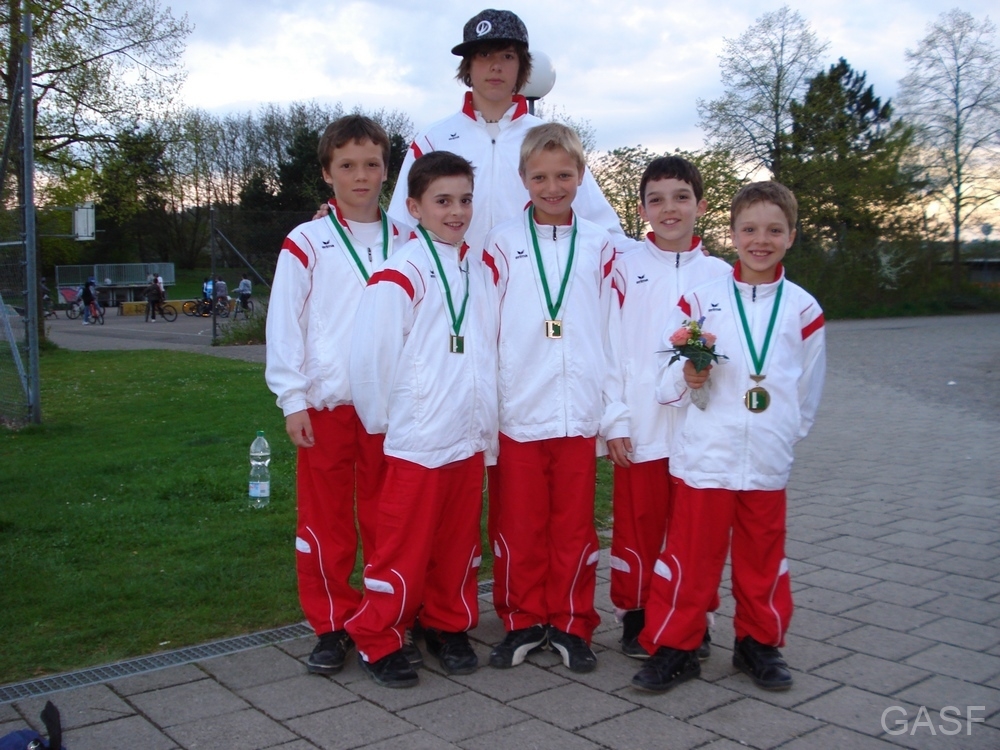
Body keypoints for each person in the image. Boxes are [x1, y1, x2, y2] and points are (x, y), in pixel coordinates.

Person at [631, 181, 826, 693]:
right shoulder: (702, 299)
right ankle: (676, 646)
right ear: (733, 233)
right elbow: (664, 380)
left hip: (766, 459)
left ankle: (758, 644)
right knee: (690, 557)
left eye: (774, 230)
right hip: (706, 457)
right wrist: (687, 378)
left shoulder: (803, 309)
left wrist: (780, 435)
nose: (761, 240)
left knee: (763, 558)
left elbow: (806, 391)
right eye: (750, 229)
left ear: (791, 236)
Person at [265, 115, 412, 677]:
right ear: (327, 173)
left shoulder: (409, 238)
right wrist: (292, 398)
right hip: (327, 405)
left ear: (386, 170)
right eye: (347, 165)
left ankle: (384, 617)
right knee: (325, 521)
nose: (361, 176)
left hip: (392, 409)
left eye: (372, 164)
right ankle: (330, 624)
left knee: (386, 519)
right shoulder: (306, 241)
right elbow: (285, 324)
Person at [346, 151, 499, 688]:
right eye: (443, 201)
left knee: (458, 544)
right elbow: (371, 360)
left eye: (465, 200)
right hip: (417, 438)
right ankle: (378, 636)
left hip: (466, 434)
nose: (456, 212)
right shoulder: (399, 273)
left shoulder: (477, 270)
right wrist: (388, 423)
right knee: (402, 547)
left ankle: (446, 624)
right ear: (414, 208)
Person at [484, 123, 627, 673]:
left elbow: (613, 332)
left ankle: (571, 622)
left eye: (563, 175)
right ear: (522, 178)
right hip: (518, 411)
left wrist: (612, 414)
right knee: (519, 526)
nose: (552, 187)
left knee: (573, 527)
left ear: (581, 176)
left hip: (578, 412)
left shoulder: (601, 245)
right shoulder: (500, 243)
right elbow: (487, 328)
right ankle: (521, 620)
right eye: (540, 177)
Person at [607, 156, 731, 659]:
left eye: (681, 197)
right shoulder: (624, 268)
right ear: (642, 210)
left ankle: (693, 614)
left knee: (695, 530)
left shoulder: (722, 275)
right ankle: (635, 612)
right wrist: (615, 418)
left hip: (701, 427)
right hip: (642, 423)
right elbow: (608, 348)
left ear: (701, 204)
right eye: (656, 199)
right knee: (639, 524)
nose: (669, 208)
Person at [387, 9, 624, 253]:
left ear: (522, 66)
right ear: (468, 66)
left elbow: (606, 231)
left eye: (508, 56)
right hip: (450, 276)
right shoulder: (432, 139)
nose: (496, 66)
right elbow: (401, 230)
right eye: (484, 54)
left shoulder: (548, 140)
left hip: (532, 276)